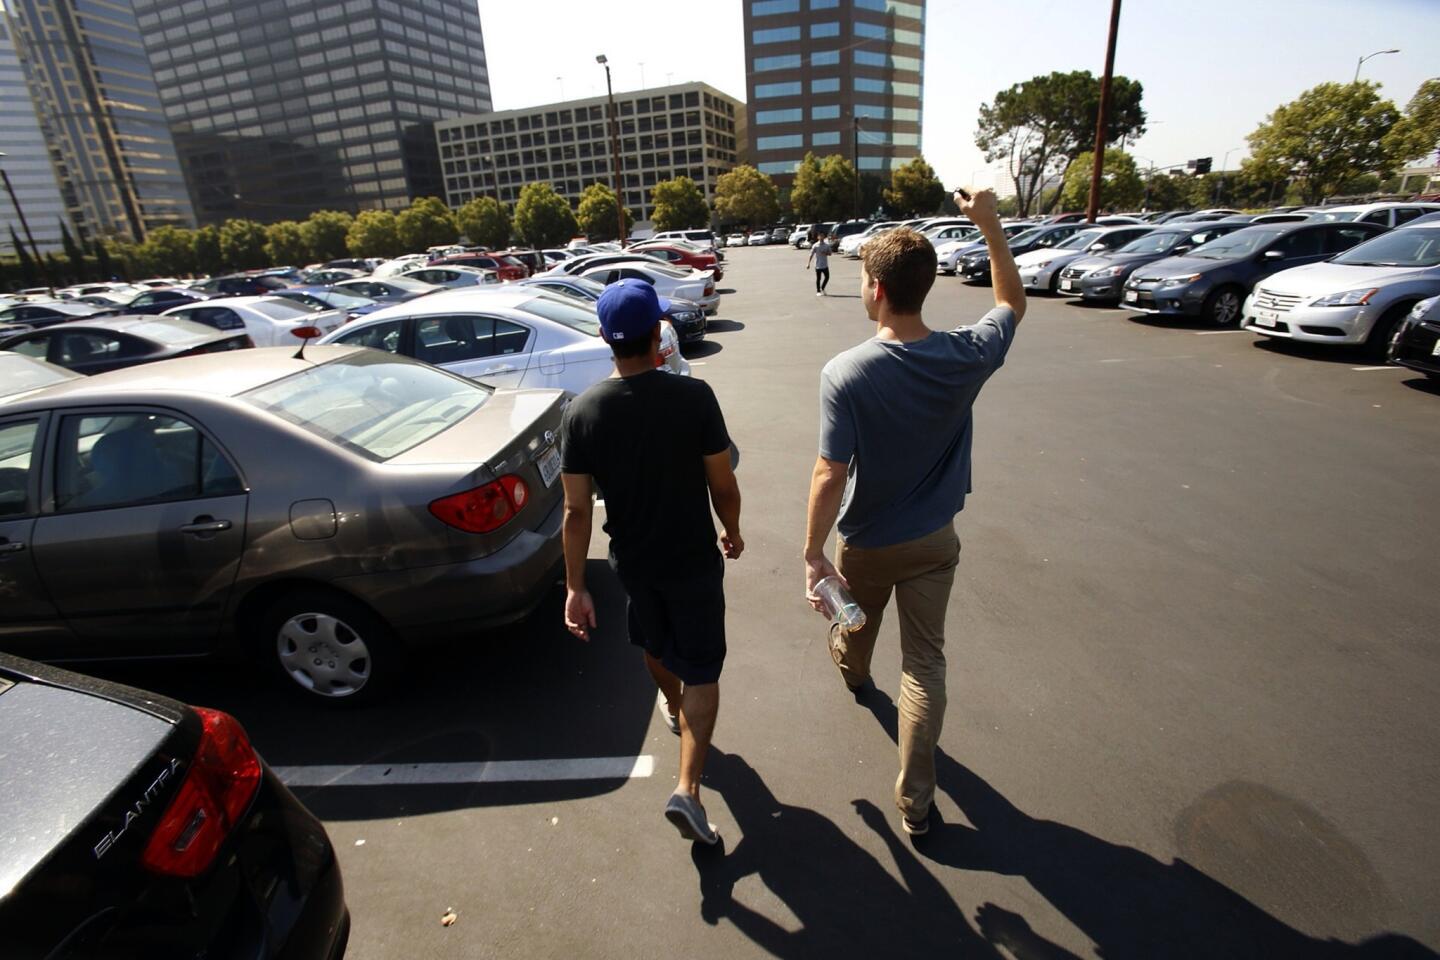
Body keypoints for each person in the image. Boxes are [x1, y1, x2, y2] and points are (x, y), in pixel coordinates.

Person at [802, 188, 1025, 838]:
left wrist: (814, 554)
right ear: (923, 288)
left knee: (857, 629)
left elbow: (829, 472)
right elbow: (1011, 301)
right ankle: (917, 805)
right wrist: (988, 224)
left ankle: (850, 667)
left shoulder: (846, 373)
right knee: (924, 665)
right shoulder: (966, 354)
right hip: (934, 540)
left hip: (867, 544)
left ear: (874, 289)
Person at [559, 278, 744, 847]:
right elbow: (722, 481)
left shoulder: (582, 412)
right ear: (657, 335)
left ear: (603, 337)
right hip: (691, 556)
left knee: (656, 647)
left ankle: (671, 704)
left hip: (632, 561)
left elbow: (575, 511)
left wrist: (574, 588)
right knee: (703, 670)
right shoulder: (694, 397)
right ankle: (687, 789)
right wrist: (731, 530)